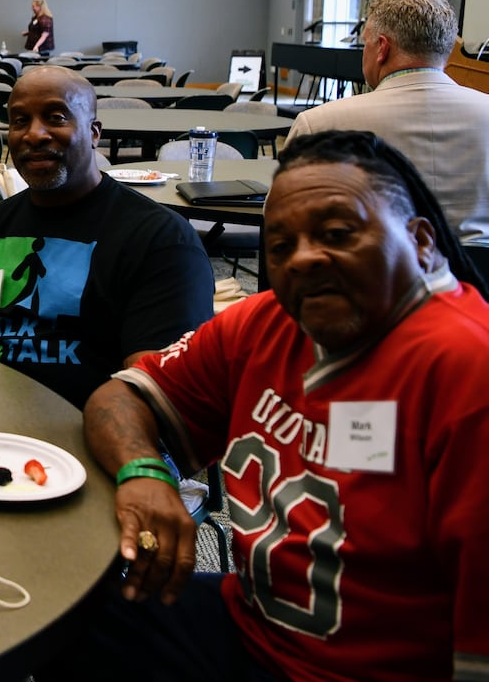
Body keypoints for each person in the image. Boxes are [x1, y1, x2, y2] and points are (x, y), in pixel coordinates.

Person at [48, 130, 489, 682]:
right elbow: (120, 397)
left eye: (336, 233)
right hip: (254, 624)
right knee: (56, 612)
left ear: (422, 241)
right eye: (279, 246)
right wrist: (144, 471)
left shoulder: (467, 370)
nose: (303, 259)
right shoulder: (264, 323)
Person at [0, 66, 212, 409]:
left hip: (89, 432)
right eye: (20, 121)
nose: (34, 134)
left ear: (94, 132)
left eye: (55, 117)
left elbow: (154, 394)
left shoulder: (160, 240)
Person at [287, 0, 489, 243]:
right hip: (479, 279)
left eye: (365, 44)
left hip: (365, 280)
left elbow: (283, 218)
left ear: (382, 48)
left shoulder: (320, 125)